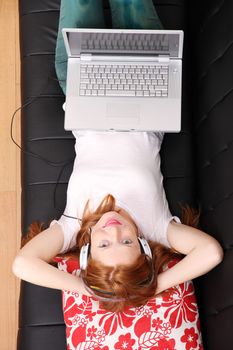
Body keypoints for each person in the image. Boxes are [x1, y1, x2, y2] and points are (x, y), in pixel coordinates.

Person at [13, 0, 223, 348]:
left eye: (104, 244)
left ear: (86, 252)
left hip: (85, 83)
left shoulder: (72, 227)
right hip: (146, 83)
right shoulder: (156, 227)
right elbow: (211, 253)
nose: (114, 229)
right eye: (127, 242)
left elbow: (23, 265)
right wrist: (152, 285)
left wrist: (84, 287)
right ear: (142, 246)